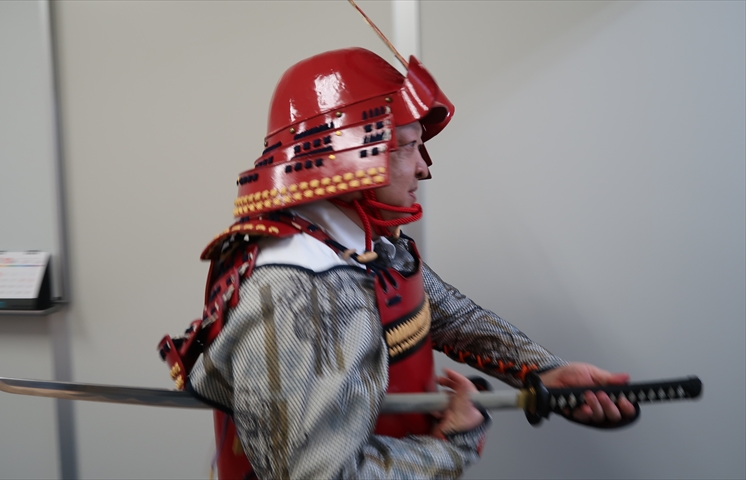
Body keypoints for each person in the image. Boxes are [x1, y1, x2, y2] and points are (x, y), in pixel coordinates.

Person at [159, 47, 637, 480]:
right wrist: (452, 445)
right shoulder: (296, 284)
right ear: (347, 152)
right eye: (408, 145)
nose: (424, 167)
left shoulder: (356, 242)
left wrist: (544, 372)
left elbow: (444, 313)